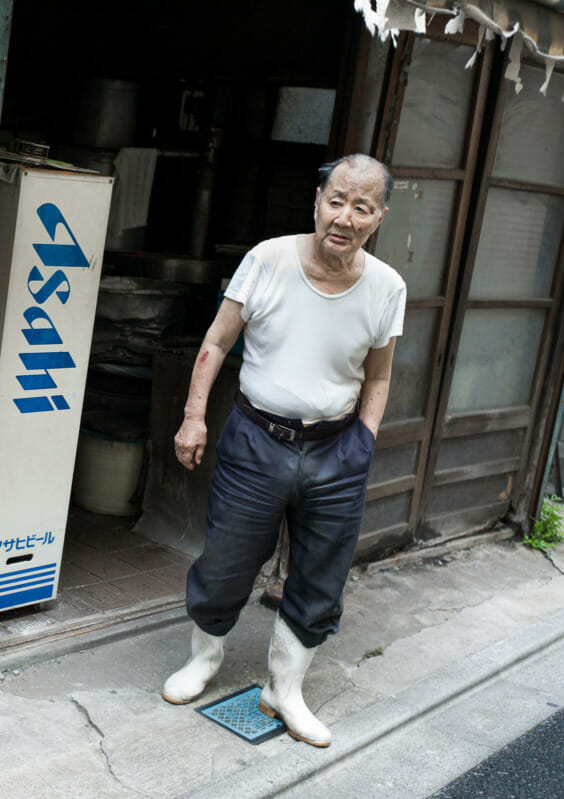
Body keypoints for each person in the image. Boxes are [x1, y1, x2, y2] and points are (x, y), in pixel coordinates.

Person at [161, 154, 406, 748]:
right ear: (317, 201)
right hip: (256, 441)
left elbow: (377, 377)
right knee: (225, 561)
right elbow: (217, 343)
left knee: (322, 574)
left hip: (336, 449)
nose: (345, 217)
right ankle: (205, 658)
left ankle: (284, 690)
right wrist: (194, 418)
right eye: (336, 201)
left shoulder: (386, 286)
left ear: (379, 217)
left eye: (362, 206)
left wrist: (364, 440)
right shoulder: (267, 259)